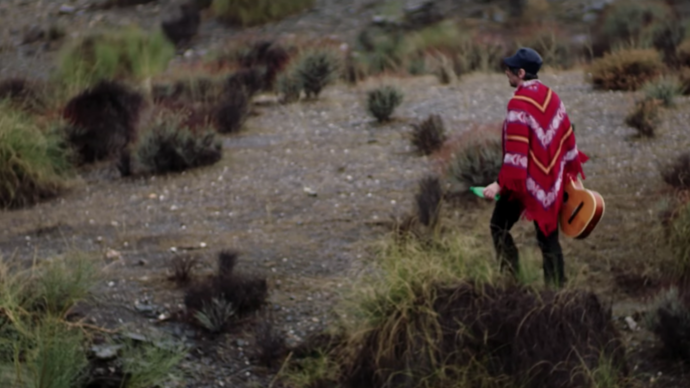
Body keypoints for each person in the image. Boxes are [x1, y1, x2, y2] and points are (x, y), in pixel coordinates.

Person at [482, 47, 589, 288]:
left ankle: (510, 280)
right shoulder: (553, 97)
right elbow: (568, 140)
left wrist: (498, 184)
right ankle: (557, 291)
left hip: (525, 184)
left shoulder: (518, 105)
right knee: (548, 237)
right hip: (551, 182)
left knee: (498, 226)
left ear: (521, 73)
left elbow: (516, 156)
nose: (506, 73)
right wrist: (570, 175)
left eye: (510, 70)